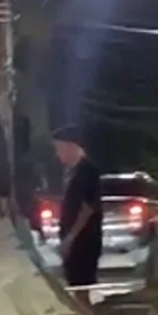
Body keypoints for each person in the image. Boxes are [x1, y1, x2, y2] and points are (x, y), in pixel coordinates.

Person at [52, 125, 103, 303]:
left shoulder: (87, 171)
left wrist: (71, 237)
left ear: (70, 146)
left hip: (84, 240)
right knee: (75, 286)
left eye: (58, 148)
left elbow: (87, 207)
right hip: (76, 239)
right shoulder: (73, 172)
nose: (57, 154)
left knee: (81, 289)